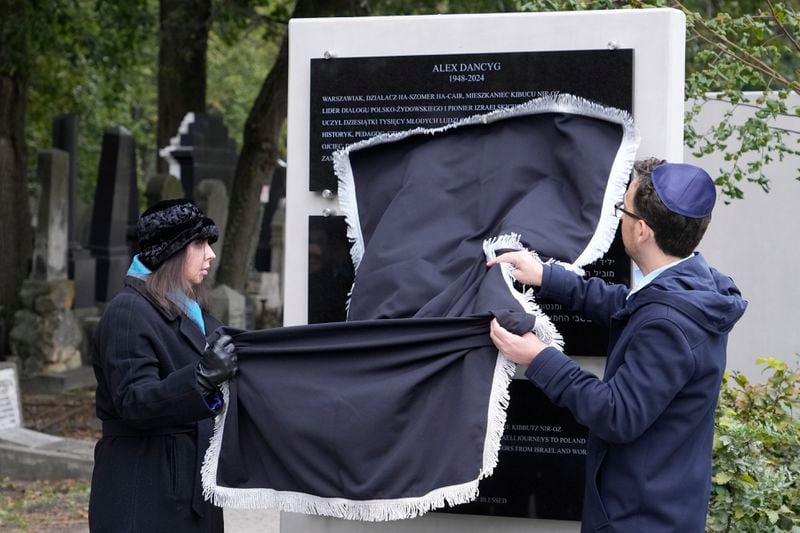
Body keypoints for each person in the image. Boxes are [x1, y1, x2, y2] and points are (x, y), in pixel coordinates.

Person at [487, 159, 747, 532]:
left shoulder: (669, 324)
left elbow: (617, 414)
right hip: (665, 502)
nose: (620, 218)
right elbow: (631, 305)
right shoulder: (695, 286)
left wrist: (539, 357)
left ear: (641, 230)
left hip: (639, 519)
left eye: (623, 209)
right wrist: (548, 276)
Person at [89, 199, 238, 532]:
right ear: (171, 251)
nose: (210, 255)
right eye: (199, 244)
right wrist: (202, 377)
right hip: (146, 489)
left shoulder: (191, 312)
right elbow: (133, 402)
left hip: (189, 487)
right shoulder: (128, 313)